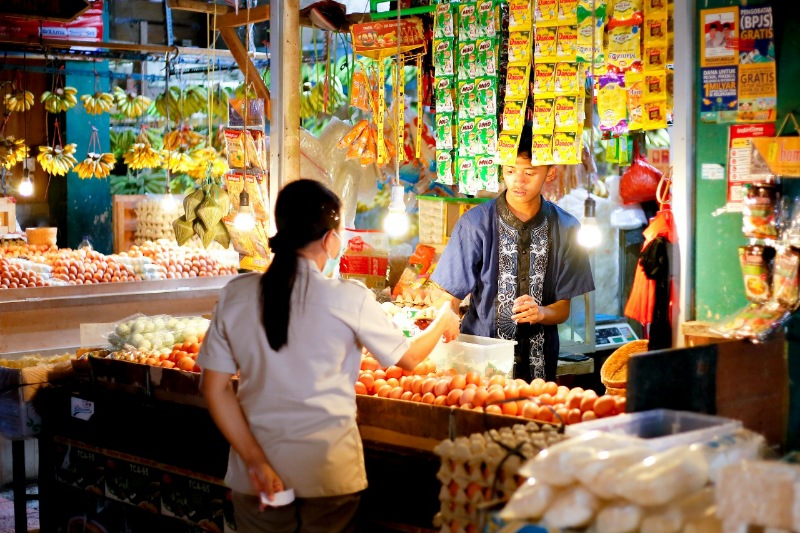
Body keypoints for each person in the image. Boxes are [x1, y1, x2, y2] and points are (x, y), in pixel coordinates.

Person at [198, 179, 460, 533]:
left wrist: (256, 461)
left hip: (255, 477)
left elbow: (213, 388)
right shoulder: (349, 298)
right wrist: (444, 316)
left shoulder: (236, 295)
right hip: (328, 476)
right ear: (330, 240)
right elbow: (410, 358)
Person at [430, 123, 595, 383]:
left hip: (539, 369)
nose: (518, 181)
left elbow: (563, 309)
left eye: (529, 172)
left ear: (550, 173)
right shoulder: (474, 224)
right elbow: (448, 298)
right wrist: (445, 319)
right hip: (480, 367)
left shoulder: (567, 228)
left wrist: (541, 313)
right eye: (510, 171)